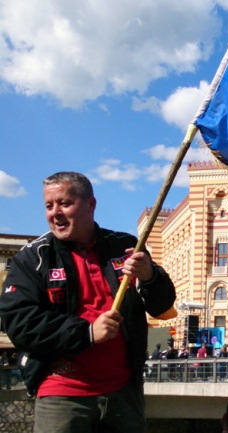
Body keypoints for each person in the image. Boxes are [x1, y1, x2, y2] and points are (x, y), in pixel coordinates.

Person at [0, 171, 176, 433]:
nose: (55, 213)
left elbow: (161, 306)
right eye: (49, 205)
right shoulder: (32, 258)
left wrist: (149, 276)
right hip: (61, 392)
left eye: (64, 203)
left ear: (91, 205)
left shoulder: (125, 245)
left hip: (124, 393)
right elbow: (19, 323)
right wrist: (87, 332)